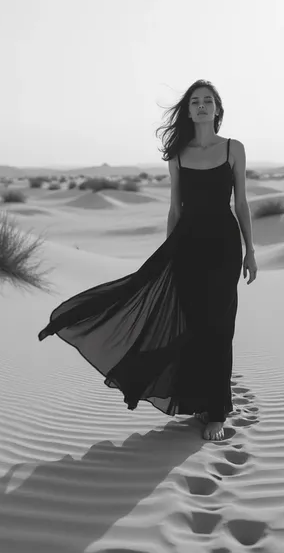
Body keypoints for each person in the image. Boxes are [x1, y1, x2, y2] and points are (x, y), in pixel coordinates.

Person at [38, 79, 257, 441]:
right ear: (187, 110)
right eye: (195, 102)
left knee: (220, 326)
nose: (201, 106)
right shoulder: (179, 154)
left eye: (208, 101)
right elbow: (175, 208)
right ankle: (202, 398)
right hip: (187, 246)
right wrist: (170, 251)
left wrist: (251, 250)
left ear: (218, 110)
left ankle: (217, 410)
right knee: (195, 326)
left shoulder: (234, 148)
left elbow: (242, 203)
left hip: (223, 247)